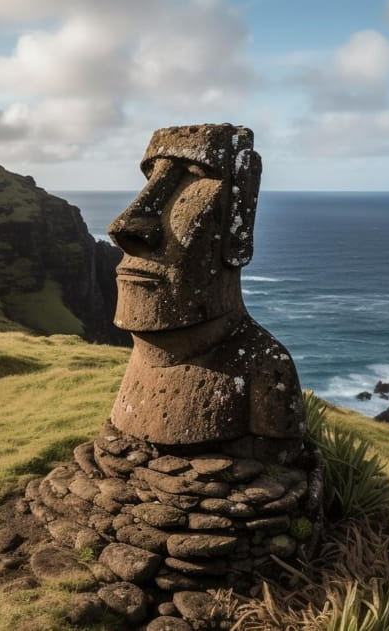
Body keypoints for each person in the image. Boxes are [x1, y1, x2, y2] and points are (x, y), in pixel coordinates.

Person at [106, 124, 305, 450]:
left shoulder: (264, 371)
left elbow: (277, 472)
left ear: (239, 217)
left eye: (193, 178)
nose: (124, 227)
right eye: (151, 178)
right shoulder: (139, 363)